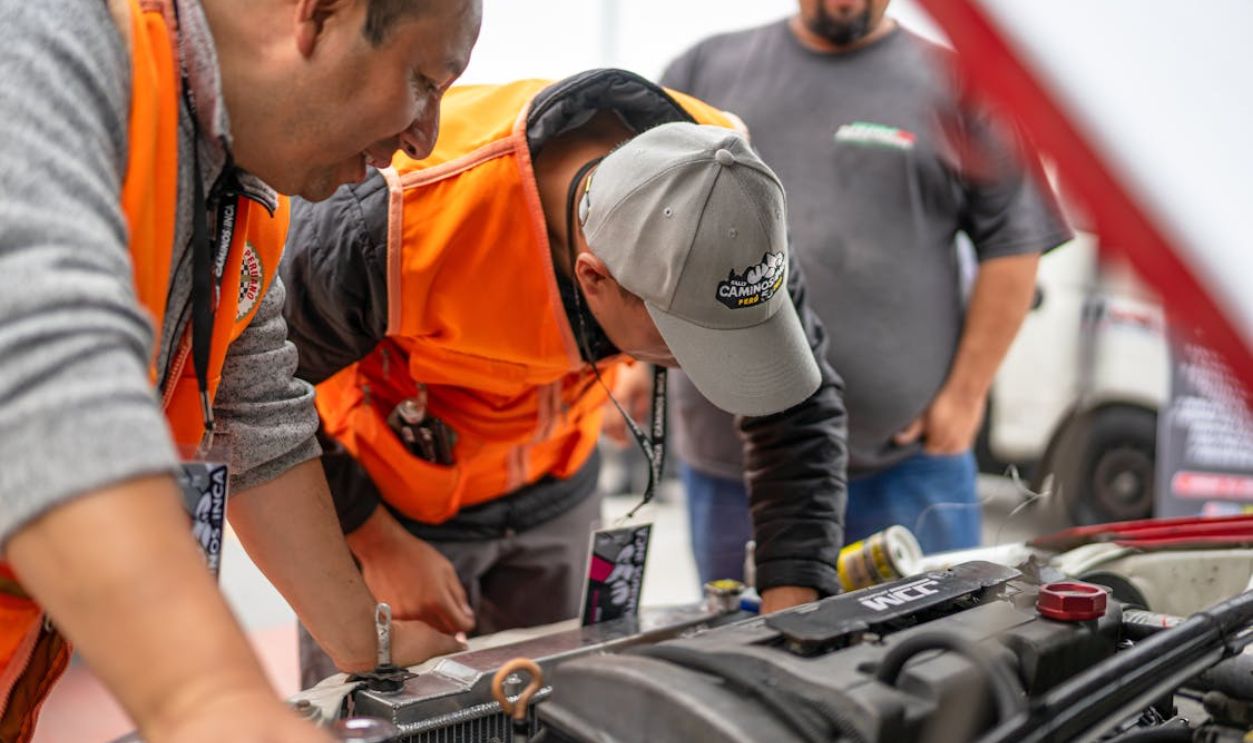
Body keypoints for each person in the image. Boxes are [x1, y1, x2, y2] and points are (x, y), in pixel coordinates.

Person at [0, 1, 480, 740]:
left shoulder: (241, 187)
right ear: (318, 15)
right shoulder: (49, 32)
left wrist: (362, 640)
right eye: (423, 81)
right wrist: (209, 700)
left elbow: (254, 415)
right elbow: (35, 345)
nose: (426, 138)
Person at [280, 68, 848, 686]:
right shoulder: (387, 221)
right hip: (387, 497)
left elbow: (798, 412)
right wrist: (375, 540)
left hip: (559, 489)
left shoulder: (735, 199)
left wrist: (793, 618)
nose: (702, 366)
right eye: (685, 341)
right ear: (594, 278)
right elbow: (260, 402)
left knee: (546, 703)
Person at [654, 0, 1071, 581]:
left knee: (929, 651)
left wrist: (965, 397)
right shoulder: (704, 70)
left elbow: (1015, 242)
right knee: (739, 654)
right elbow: (649, 225)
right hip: (734, 465)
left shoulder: (964, 86)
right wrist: (634, 361)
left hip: (903, 465)